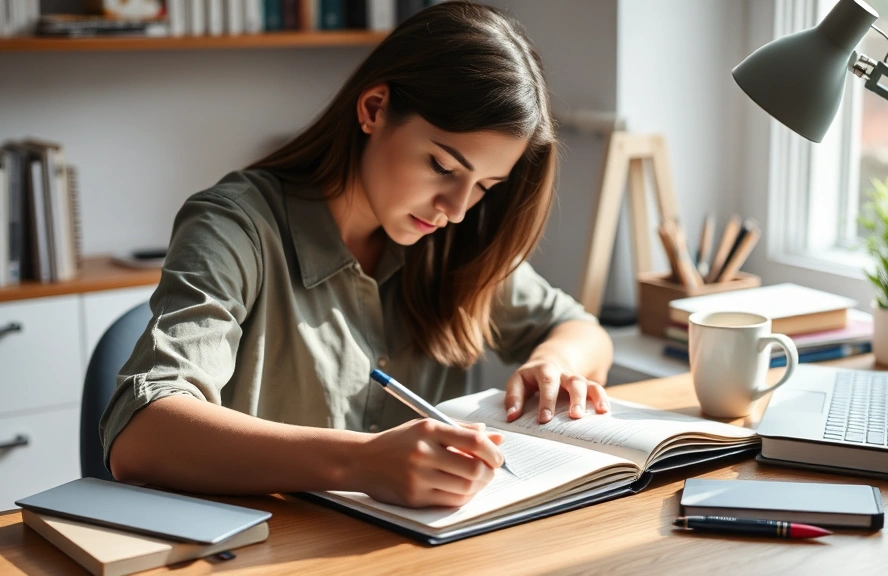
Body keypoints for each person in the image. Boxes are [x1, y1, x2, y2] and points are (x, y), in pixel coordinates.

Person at [100, 1, 613, 509]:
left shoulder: (451, 241)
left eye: (485, 185)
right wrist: (360, 462)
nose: (456, 209)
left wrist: (555, 363)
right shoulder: (236, 227)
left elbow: (579, 328)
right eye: (441, 165)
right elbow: (141, 433)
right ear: (374, 109)